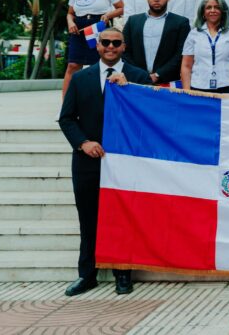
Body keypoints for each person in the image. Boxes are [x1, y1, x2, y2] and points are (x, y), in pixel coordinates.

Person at [57, 26, 151, 297]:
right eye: (105, 42)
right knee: (88, 218)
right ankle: (87, 275)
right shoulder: (80, 77)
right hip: (88, 161)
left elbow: (151, 118)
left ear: (124, 47)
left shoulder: (138, 77)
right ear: (97, 46)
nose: (110, 47)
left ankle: (123, 274)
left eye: (116, 43)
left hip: (126, 163)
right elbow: (66, 118)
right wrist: (83, 142)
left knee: (123, 217)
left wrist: (131, 90)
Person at [63, 0, 124, 97]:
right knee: (73, 65)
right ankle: (65, 106)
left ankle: (99, 103)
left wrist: (109, 15)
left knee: (97, 66)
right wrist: (71, 22)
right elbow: (70, 13)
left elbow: (121, 8)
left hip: (98, 27)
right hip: (78, 29)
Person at [122, 0, 191, 85]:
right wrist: (141, 74)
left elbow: (181, 54)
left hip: (167, 82)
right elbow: (124, 51)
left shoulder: (181, 23)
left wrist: (158, 74)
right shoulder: (133, 21)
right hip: (137, 80)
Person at [181, 0, 229, 94]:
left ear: (223, 11)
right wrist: (187, 91)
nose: (213, 10)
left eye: (217, 7)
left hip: (228, 87)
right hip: (199, 87)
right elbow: (186, 65)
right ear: (203, 12)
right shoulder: (194, 33)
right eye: (208, 7)